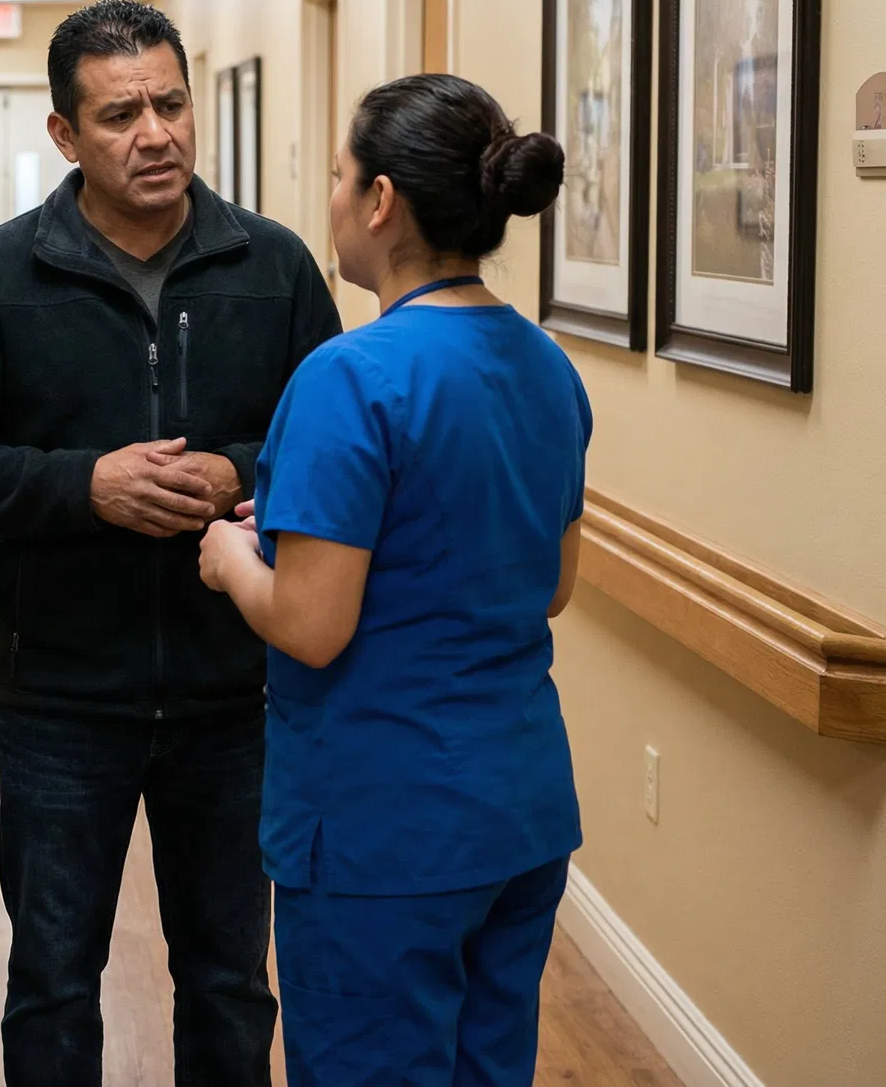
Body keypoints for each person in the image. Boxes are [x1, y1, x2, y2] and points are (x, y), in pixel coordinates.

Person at [0, 0, 341, 1087]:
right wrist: (79, 485)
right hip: (60, 700)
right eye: (119, 114)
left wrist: (238, 469)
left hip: (234, 698)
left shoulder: (274, 268)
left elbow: (331, 446)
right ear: (64, 134)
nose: (155, 133)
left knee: (232, 981)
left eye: (171, 103)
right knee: (53, 981)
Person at [197, 73, 588, 1087]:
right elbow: (547, 581)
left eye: (337, 175)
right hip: (518, 807)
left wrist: (236, 559)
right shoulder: (546, 365)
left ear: (379, 202)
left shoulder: (351, 376)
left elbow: (314, 625)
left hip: (384, 827)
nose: (330, 197)